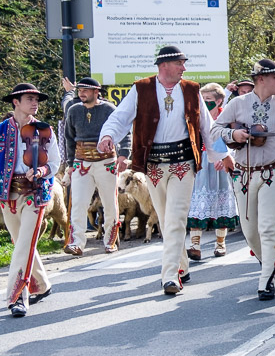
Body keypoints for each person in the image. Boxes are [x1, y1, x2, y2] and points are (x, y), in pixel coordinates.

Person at [98, 45, 224, 294]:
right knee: (167, 220)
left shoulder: (191, 89)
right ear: (164, 65)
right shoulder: (141, 88)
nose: (184, 68)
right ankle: (183, 266)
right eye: (180, 63)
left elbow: (207, 127)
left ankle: (170, 276)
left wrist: (222, 155)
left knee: (176, 217)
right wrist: (108, 135)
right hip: (154, 166)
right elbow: (120, 117)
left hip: (183, 164)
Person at [211, 60, 275, 300]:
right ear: (261, 79)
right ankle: (269, 263)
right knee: (249, 231)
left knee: (267, 227)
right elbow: (213, 133)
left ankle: (265, 280)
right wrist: (232, 134)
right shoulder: (237, 104)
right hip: (243, 174)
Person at [2, 84, 59, 317]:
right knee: (21, 244)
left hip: (34, 195)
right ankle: (42, 285)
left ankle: (16, 298)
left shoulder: (44, 130)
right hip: (7, 196)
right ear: (15, 101)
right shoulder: (1, 130)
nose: (34, 103)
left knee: (24, 245)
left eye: (36, 99)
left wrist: (41, 171)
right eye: (29, 98)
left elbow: (55, 162)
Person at [62, 76, 128, 255]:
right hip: (81, 161)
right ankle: (76, 242)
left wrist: (124, 154)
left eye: (85, 90)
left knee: (109, 203)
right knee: (78, 202)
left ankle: (110, 240)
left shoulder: (108, 109)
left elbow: (124, 130)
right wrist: (70, 163)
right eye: (79, 91)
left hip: (106, 161)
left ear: (96, 92)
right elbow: (69, 138)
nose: (81, 93)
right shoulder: (74, 110)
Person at [185, 82, 238, 260]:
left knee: (220, 201)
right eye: (203, 99)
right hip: (202, 163)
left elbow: (234, 142)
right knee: (198, 201)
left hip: (222, 166)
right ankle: (195, 245)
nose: (205, 102)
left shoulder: (227, 119)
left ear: (219, 101)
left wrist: (225, 157)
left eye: (209, 99)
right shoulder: (198, 118)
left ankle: (220, 243)